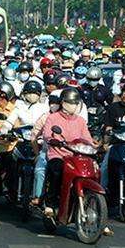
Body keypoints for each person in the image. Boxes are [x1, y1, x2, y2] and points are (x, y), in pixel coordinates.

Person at [41, 88, 94, 216]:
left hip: (77, 155)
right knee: (57, 170)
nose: (73, 106)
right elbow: (47, 134)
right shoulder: (53, 118)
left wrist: (93, 147)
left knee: (94, 171)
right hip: (58, 153)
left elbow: (87, 138)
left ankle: (94, 206)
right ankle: (50, 203)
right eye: (71, 102)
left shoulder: (81, 121)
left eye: (76, 103)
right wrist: (53, 140)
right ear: (63, 103)